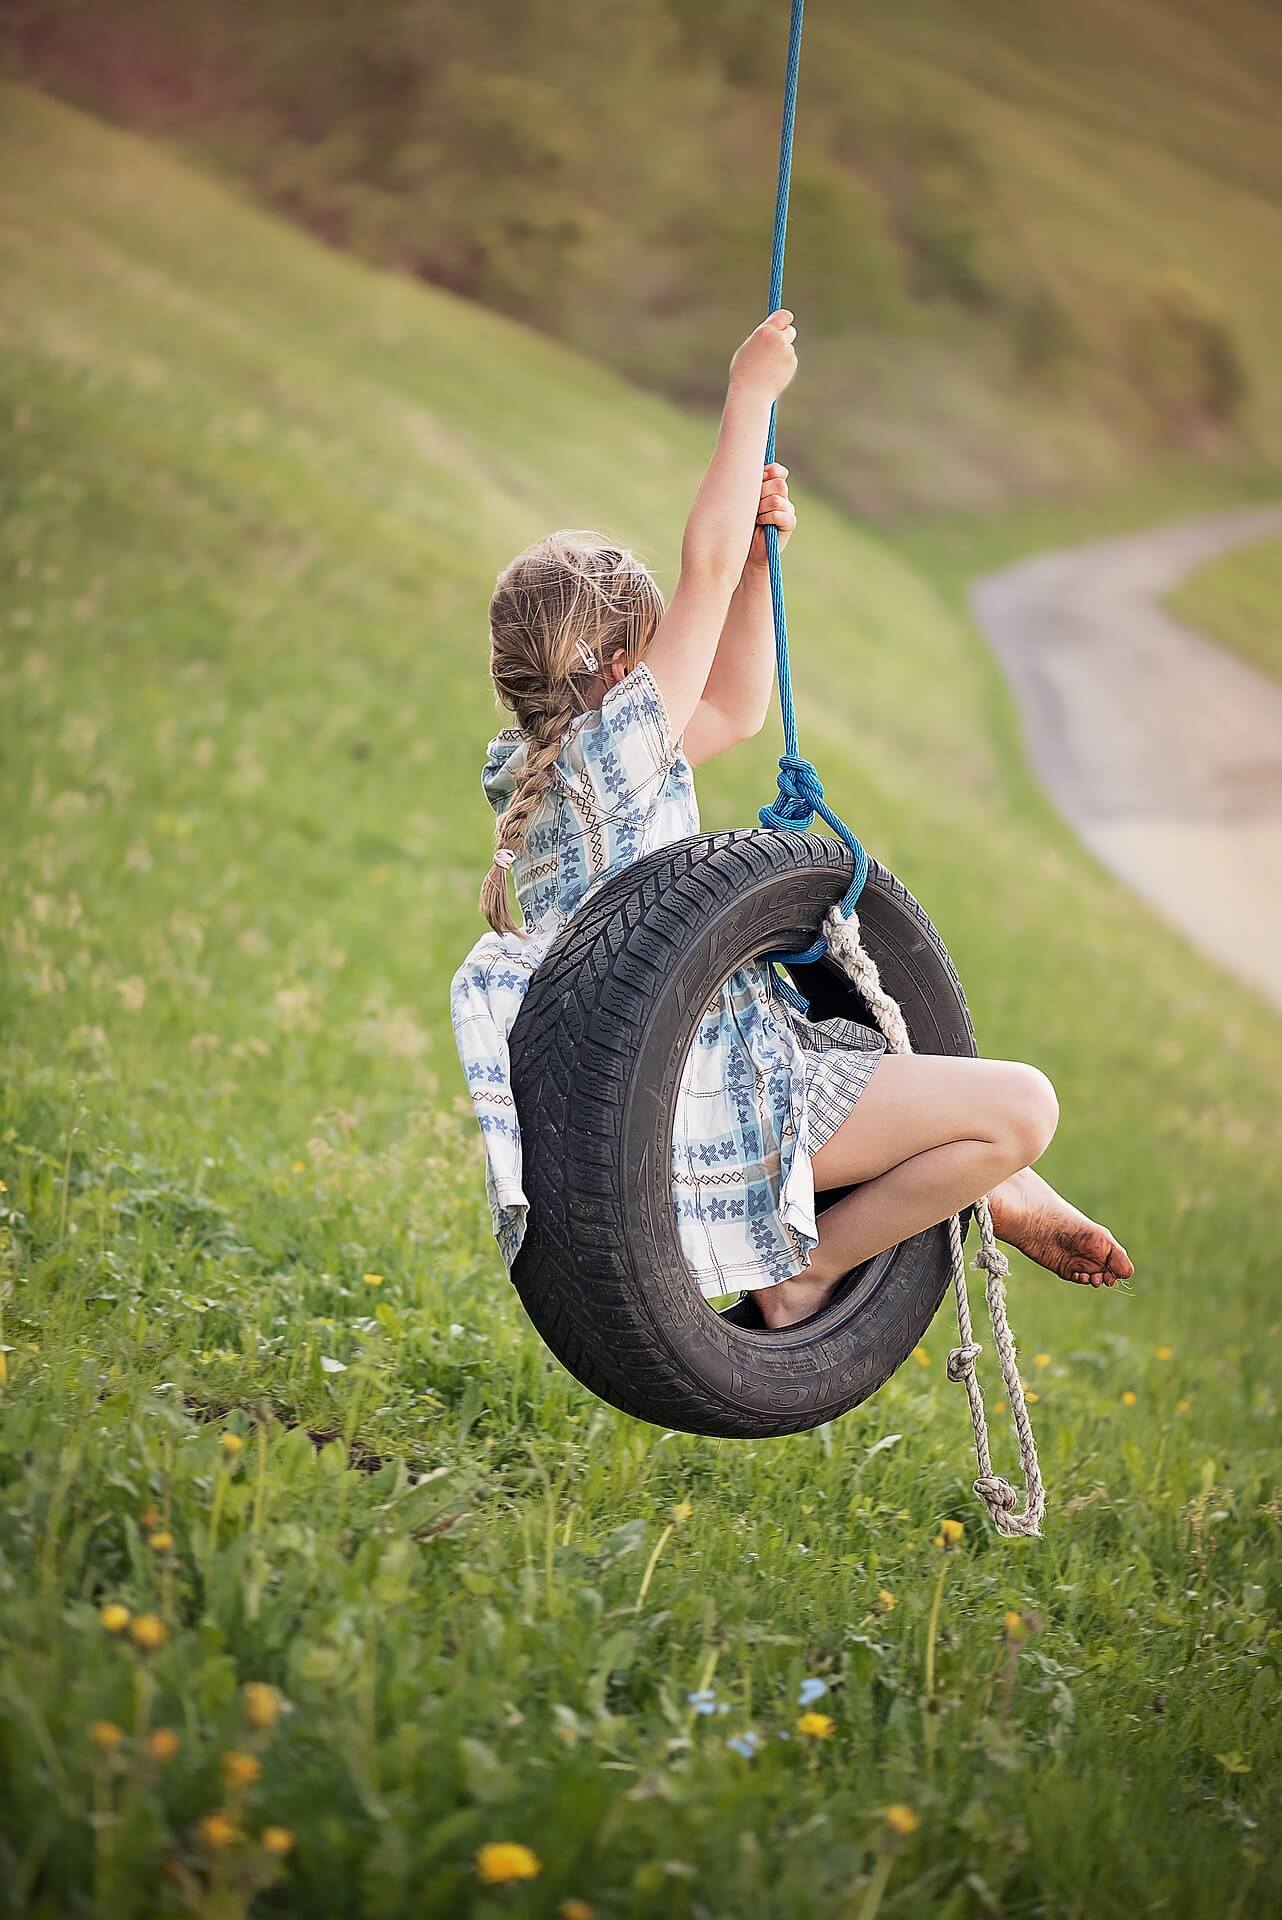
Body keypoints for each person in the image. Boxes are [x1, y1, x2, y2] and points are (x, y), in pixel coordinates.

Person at [451, 310, 1132, 1327]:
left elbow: (732, 709)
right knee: (1024, 1106)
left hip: (640, 1125)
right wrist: (749, 396)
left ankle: (996, 1188)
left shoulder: (538, 778)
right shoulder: (622, 745)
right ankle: (810, 1266)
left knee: (879, 1057)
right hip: (727, 1110)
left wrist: (762, 572)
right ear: (630, 671)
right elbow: (706, 567)